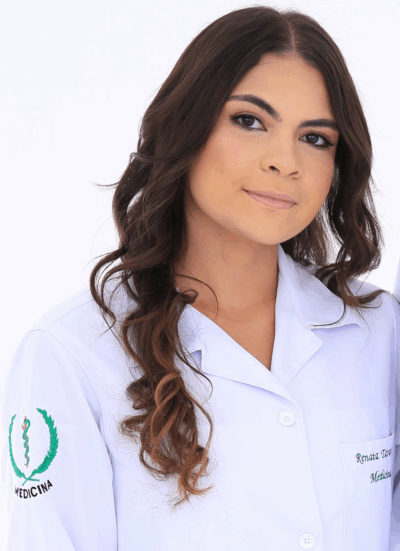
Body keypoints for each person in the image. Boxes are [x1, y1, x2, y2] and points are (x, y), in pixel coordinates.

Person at [1, 5, 400, 551]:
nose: (285, 161)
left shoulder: (379, 332)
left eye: (315, 138)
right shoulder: (71, 355)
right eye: (250, 121)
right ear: (186, 126)